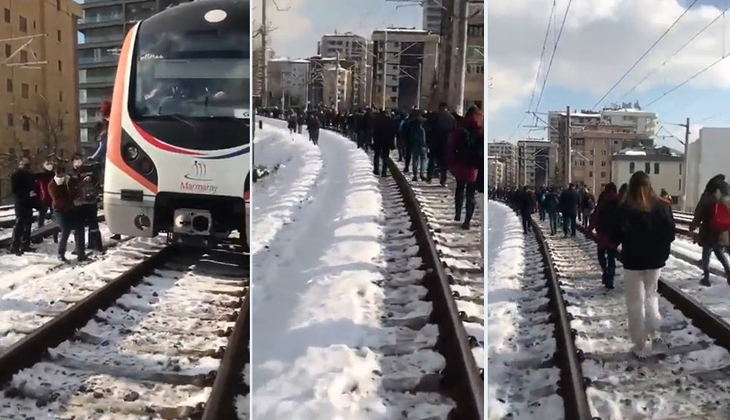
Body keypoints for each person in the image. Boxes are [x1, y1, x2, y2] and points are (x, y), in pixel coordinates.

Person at [611, 171, 675, 359]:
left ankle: (639, 345)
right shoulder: (662, 207)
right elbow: (670, 234)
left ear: (630, 186)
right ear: (650, 185)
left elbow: (614, 237)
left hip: (633, 261)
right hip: (655, 261)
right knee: (651, 296)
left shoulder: (624, 208)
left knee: (634, 302)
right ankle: (655, 336)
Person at [689, 174, 730, 286]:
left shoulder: (707, 197)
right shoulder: (726, 198)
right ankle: (729, 273)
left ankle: (706, 278)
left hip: (709, 230)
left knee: (706, 254)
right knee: (719, 252)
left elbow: (698, 214)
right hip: (723, 232)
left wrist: (692, 228)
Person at [447, 106, 482, 230]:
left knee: (460, 188)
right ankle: (467, 220)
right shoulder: (480, 128)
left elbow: (451, 145)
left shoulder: (461, 127)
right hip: (473, 167)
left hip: (460, 163)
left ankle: (457, 214)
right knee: (471, 194)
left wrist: (451, 162)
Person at [47, 167, 86, 262]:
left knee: (80, 229)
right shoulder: (53, 185)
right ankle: (61, 253)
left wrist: (78, 197)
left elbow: (76, 191)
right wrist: (72, 201)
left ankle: (81, 253)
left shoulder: (69, 181)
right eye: (58, 175)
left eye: (62, 175)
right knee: (66, 230)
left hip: (72, 209)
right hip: (60, 210)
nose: (61, 177)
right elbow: (57, 199)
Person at [589, 182, 620, 289]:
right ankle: (610, 277)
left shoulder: (603, 201)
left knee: (601, 255)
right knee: (611, 257)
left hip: (603, 233)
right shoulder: (620, 201)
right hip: (614, 236)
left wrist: (590, 229)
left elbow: (596, 216)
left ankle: (605, 272)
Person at [71, 153, 102, 252]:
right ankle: (79, 247)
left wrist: (91, 179)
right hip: (78, 204)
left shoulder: (89, 170)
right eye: (76, 159)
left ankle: (95, 245)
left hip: (90, 202)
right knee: (78, 227)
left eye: (79, 159)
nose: (78, 161)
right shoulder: (70, 173)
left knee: (93, 225)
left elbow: (96, 181)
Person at [10, 158, 37, 255]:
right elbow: (15, 190)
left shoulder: (28, 175)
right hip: (20, 202)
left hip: (28, 202)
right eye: (25, 166)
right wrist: (27, 194)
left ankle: (25, 244)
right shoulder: (15, 175)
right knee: (19, 224)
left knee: (28, 224)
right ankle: (15, 246)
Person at [427, 102, 455, 186]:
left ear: (439, 107)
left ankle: (429, 177)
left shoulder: (434, 116)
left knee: (432, 160)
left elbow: (428, 127)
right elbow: (454, 130)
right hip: (446, 142)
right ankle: (443, 179)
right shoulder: (451, 118)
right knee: (443, 162)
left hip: (434, 141)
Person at [408, 113, 427, 181]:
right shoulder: (422, 130)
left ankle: (415, 175)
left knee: (415, 161)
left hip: (414, 146)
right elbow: (423, 139)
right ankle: (422, 174)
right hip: (422, 146)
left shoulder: (412, 129)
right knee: (423, 160)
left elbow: (410, 137)